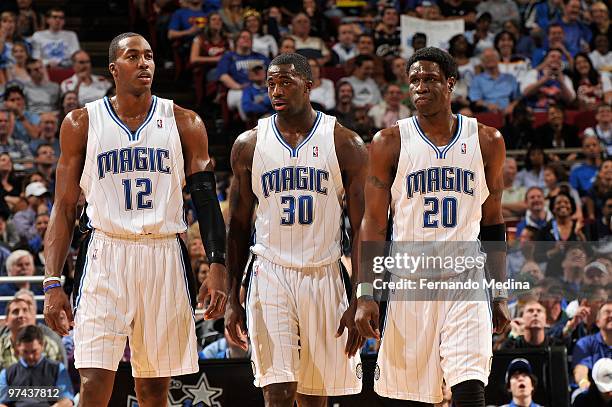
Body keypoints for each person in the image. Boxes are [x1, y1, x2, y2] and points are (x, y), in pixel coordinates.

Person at [42, 32, 228, 407]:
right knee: (93, 377)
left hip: (163, 254)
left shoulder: (184, 121)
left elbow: (206, 202)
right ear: (113, 68)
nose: (144, 63)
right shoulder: (81, 123)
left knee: (155, 386)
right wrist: (51, 281)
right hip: (104, 252)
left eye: (149, 56)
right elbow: (63, 208)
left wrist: (218, 264)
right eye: (133, 56)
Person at [354, 47, 510, 405]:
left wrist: (499, 293)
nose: (420, 87)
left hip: (465, 280)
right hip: (410, 282)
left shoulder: (487, 141)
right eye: (414, 80)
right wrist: (366, 293)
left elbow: (493, 222)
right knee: (413, 397)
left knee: (470, 386)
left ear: (450, 83)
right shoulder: (388, 142)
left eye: (430, 79)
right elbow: (374, 224)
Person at [225, 52, 365, 406]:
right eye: (271, 83)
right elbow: (238, 226)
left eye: (286, 81)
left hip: (324, 272)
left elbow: (364, 227)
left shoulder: (344, 142)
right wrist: (232, 298)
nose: (277, 90)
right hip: (270, 271)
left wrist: (363, 295)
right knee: (278, 388)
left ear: (309, 85)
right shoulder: (248, 145)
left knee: (314, 394)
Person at [0, 325, 74, 407]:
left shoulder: (57, 369)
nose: (30, 356)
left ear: (42, 345)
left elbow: (67, 401)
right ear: (18, 347)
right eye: (25, 352)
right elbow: (1, 403)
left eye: (34, 351)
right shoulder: (7, 374)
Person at [573, 302, 612, 392]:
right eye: (607, 312)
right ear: (597, 322)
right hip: (594, 392)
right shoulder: (585, 343)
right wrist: (583, 382)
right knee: (579, 393)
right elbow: (581, 370)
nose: (611, 316)